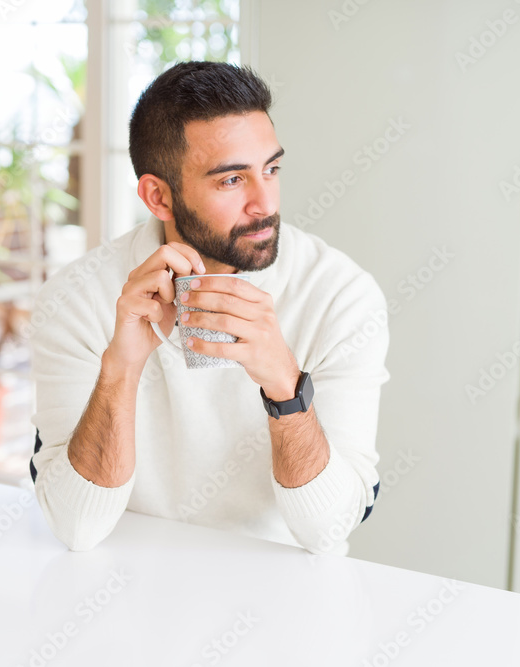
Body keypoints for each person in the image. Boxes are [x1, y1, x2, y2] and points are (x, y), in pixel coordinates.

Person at [29, 61, 390, 555]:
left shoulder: (340, 295)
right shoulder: (75, 299)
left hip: (283, 591)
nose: (265, 202)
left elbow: (330, 531)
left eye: (271, 169)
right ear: (159, 196)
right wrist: (121, 368)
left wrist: (284, 386)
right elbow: (76, 528)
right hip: (119, 591)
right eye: (231, 180)